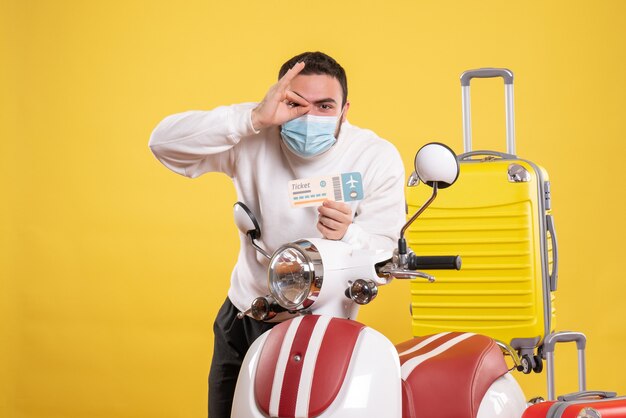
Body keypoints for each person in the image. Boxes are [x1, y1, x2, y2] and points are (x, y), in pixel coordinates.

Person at [148, 51, 406, 418]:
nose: (310, 116)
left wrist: (350, 235)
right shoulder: (254, 136)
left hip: (319, 329)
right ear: (279, 99)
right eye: (296, 103)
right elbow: (163, 144)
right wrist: (252, 117)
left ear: (345, 110)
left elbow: (385, 255)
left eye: (325, 105)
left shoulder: (375, 157)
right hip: (243, 314)